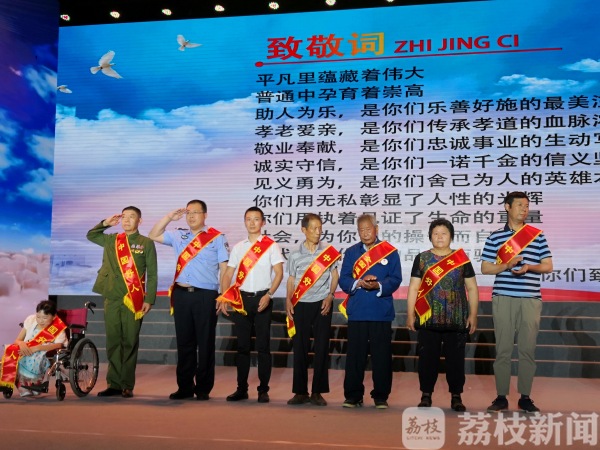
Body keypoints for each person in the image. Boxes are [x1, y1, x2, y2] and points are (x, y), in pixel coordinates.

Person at [149, 200, 229, 401]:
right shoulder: (179, 235)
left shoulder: (217, 237)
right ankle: (184, 387)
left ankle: (203, 388)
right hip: (181, 295)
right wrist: (170, 217)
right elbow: (153, 234)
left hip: (205, 295)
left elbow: (225, 269)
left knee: (205, 343)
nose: (191, 216)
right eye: (188, 213)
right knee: (184, 343)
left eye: (196, 212)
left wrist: (224, 295)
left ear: (205, 215)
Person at [481, 191, 553, 414]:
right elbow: (485, 268)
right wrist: (506, 265)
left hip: (530, 299)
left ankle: (525, 397)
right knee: (503, 349)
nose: (524, 209)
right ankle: (501, 397)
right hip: (503, 297)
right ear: (507, 207)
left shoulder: (536, 236)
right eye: (520, 205)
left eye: (526, 205)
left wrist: (529, 267)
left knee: (527, 350)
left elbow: (548, 265)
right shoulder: (495, 237)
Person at [406, 219, 479, 412]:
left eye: (444, 233)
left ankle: (456, 396)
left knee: (456, 360)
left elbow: (472, 288)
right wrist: (410, 314)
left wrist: (473, 315)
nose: (439, 237)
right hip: (428, 317)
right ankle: (426, 395)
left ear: (451, 236)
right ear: (430, 236)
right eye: (435, 233)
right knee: (427, 360)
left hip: (456, 317)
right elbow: (413, 287)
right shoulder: (422, 258)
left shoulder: (461, 258)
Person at [87, 206, 157, 398]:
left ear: (139, 221)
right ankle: (114, 384)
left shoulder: (146, 243)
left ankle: (127, 384)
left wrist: (149, 299)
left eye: (131, 217)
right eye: (124, 216)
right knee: (113, 341)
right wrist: (105, 223)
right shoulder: (112, 240)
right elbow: (91, 235)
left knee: (130, 341)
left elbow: (152, 273)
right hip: (112, 296)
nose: (126, 220)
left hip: (133, 299)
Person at [218, 207, 284, 403]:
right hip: (242, 301)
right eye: (248, 219)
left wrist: (269, 295)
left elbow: (279, 273)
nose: (252, 223)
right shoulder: (239, 247)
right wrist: (225, 296)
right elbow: (228, 274)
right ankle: (241, 389)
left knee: (263, 347)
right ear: (244, 222)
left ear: (263, 222)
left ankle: (263, 390)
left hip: (263, 298)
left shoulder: (271, 246)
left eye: (256, 219)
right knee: (243, 347)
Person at [338, 214, 402, 409]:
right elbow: (344, 278)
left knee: (381, 356)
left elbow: (396, 278)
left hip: (380, 311)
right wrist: (359, 282)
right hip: (357, 311)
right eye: (361, 230)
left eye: (368, 229)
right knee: (355, 356)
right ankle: (353, 395)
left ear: (376, 229)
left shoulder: (389, 252)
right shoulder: (351, 252)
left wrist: (378, 285)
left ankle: (381, 396)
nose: (365, 233)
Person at [285, 213, 340, 407]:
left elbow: (335, 275)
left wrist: (330, 295)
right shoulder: (294, 254)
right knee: (300, 348)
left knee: (322, 347)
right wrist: (288, 300)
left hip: (322, 304)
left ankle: (317, 391)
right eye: (314, 228)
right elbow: (291, 279)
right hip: (300, 304)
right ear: (304, 230)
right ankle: (300, 392)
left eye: (320, 228)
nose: (318, 232)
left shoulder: (328, 253)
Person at [0, 300, 68, 397]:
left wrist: (38, 348)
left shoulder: (57, 327)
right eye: (38, 316)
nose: (41, 320)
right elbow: (18, 340)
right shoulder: (31, 320)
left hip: (42, 351)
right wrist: (22, 343)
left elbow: (59, 345)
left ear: (54, 317)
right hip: (27, 347)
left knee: (34, 357)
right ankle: (20, 385)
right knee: (11, 352)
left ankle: (33, 383)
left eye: (45, 318)